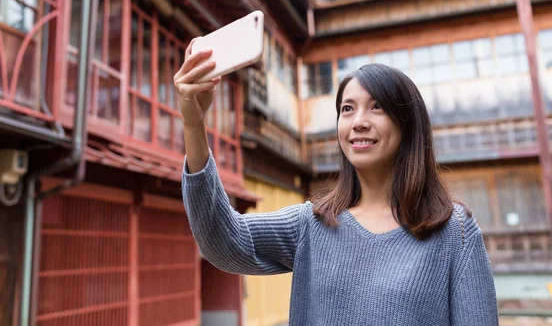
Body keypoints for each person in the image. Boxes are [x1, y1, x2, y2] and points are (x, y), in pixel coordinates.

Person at [174, 38, 499, 326]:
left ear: (407, 126)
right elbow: (222, 240)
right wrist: (194, 123)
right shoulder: (312, 226)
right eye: (347, 109)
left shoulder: (454, 230)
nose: (358, 122)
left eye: (377, 107)